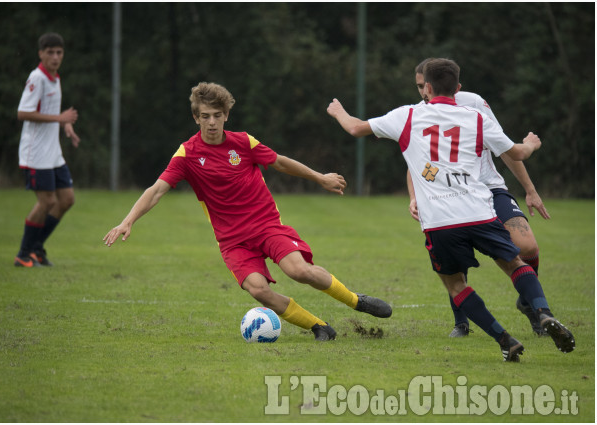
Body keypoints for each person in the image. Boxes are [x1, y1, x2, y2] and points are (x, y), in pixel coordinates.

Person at [103, 82, 391, 341]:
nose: (212, 122)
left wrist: (319, 177)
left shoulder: (243, 142)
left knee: (299, 271)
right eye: (205, 116)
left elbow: (280, 162)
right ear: (196, 118)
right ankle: (318, 327)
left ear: (226, 115)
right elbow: (156, 190)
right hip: (232, 240)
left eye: (217, 115)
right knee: (258, 289)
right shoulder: (187, 154)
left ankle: (356, 300)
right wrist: (128, 221)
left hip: (266, 226)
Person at [327, 58, 574, 361]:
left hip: (441, 222)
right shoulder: (476, 117)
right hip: (480, 213)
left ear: (427, 88)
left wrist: (339, 111)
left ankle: (504, 339)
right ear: (457, 88)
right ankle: (543, 312)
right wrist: (531, 143)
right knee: (513, 262)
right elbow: (518, 152)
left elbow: (354, 128)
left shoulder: (407, 115)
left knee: (456, 284)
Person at [410, 58, 550, 338]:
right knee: (455, 259)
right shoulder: (418, 114)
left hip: (488, 188)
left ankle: (529, 305)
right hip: (447, 195)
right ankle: (461, 323)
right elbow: (415, 162)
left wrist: (530, 189)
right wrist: (414, 196)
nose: (422, 92)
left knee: (528, 248)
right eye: (417, 87)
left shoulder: (472, 103)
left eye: (424, 85)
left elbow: (505, 147)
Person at [14, 32, 81, 267]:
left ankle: (36, 248)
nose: (55, 57)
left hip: (53, 152)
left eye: (59, 52)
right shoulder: (37, 78)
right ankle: (24, 254)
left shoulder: (54, 78)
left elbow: (52, 110)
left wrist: (66, 124)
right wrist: (59, 117)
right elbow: (23, 112)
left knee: (67, 199)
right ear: (40, 53)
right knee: (47, 202)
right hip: (36, 153)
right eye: (50, 52)